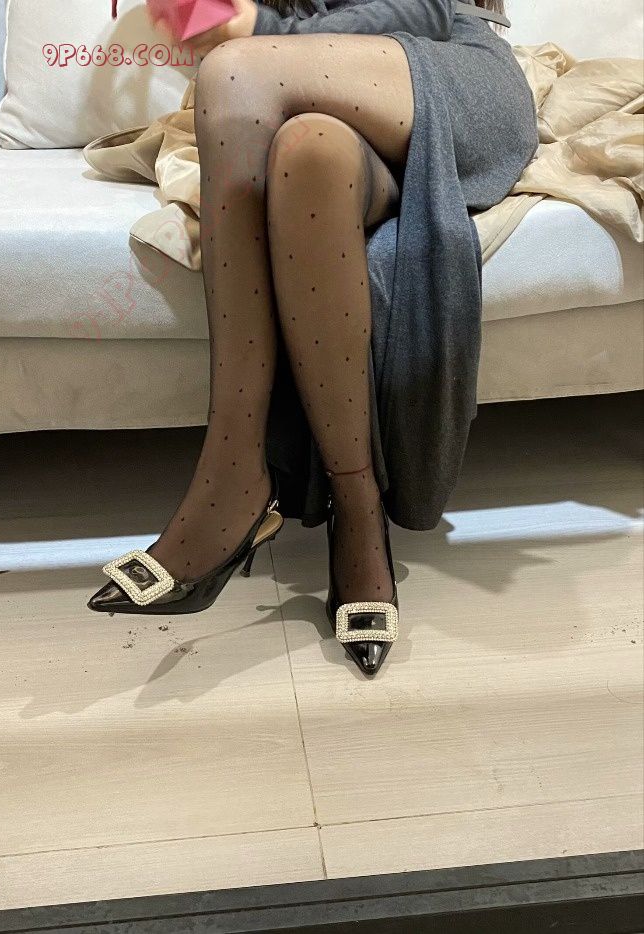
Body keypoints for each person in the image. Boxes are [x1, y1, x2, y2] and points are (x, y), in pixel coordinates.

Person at [88, 0, 538, 677]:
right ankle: (358, 509)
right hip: (319, 104)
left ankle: (236, 475)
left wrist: (269, 35)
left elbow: (423, 10)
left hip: (449, 74)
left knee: (233, 74)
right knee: (310, 153)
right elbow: (205, 22)